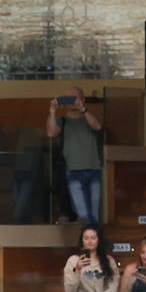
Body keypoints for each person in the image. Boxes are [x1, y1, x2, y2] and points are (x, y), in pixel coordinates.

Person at [46, 87, 103, 223]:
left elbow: (97, 126)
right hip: (72, 172)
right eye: (69, 98)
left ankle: (91, 234)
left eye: (75, 98)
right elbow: (51, 133)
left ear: (83, 99)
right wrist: (52, 111)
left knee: (94, 213)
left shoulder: (89, 117)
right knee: (82, 212)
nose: (72, 101)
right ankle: (90, 234)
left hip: (94, 169)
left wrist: (83, 109)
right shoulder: (62, 120)